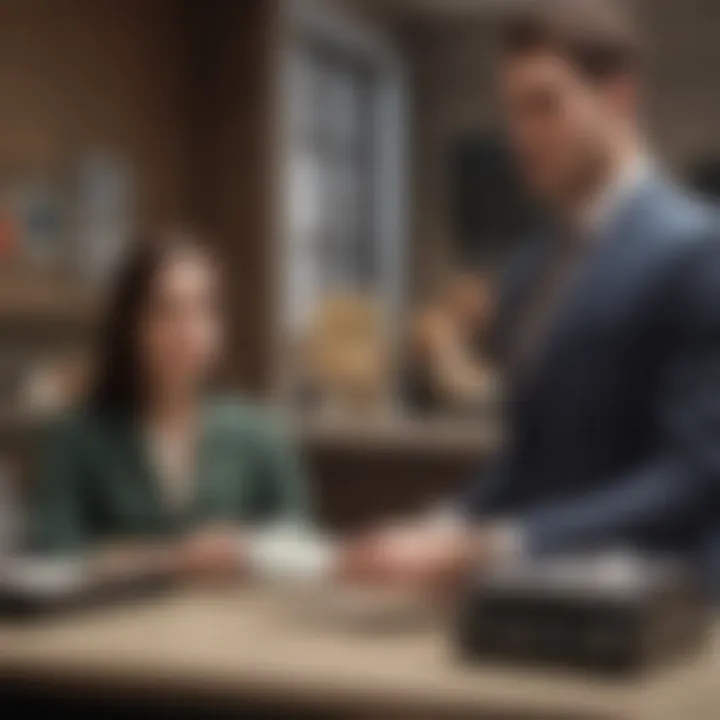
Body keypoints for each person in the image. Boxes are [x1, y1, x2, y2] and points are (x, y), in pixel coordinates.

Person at [341, 0, 720, 593]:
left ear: (618, 97)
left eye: (545, 104)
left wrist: (497, 545)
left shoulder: (697, 249)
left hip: (661, 619)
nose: (521, 134)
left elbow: (696, 475)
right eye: (513, 110)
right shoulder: (527, 271)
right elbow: (530, 461)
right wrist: (440, 528)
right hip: (535, 605)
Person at [30, 232, 310, 581]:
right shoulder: (78, 438)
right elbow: (55, 552)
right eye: (167, 311)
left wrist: (246, 549)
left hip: (235, 623)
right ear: (131, 325)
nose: (188, 330)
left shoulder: (258, 432)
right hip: (112, 626)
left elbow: (301, 544)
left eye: (204, 310)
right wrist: (174, 558)